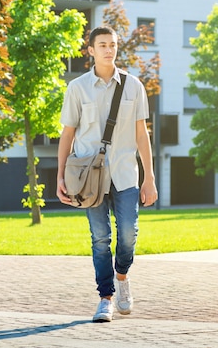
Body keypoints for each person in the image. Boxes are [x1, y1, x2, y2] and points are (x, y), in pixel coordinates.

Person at [57, 25, 158, 323]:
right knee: (100, 238)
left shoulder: (133, 86)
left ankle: (122, 277)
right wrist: (60, 176)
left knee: (128, 233)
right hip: (90, 179)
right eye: (102, 44)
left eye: (112, 44)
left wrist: (149, 177)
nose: (108, 49)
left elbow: (142, 134)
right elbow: (67, 135)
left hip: (126, 173)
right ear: (90, 50)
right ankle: (106, 298)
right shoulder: (77, 88)